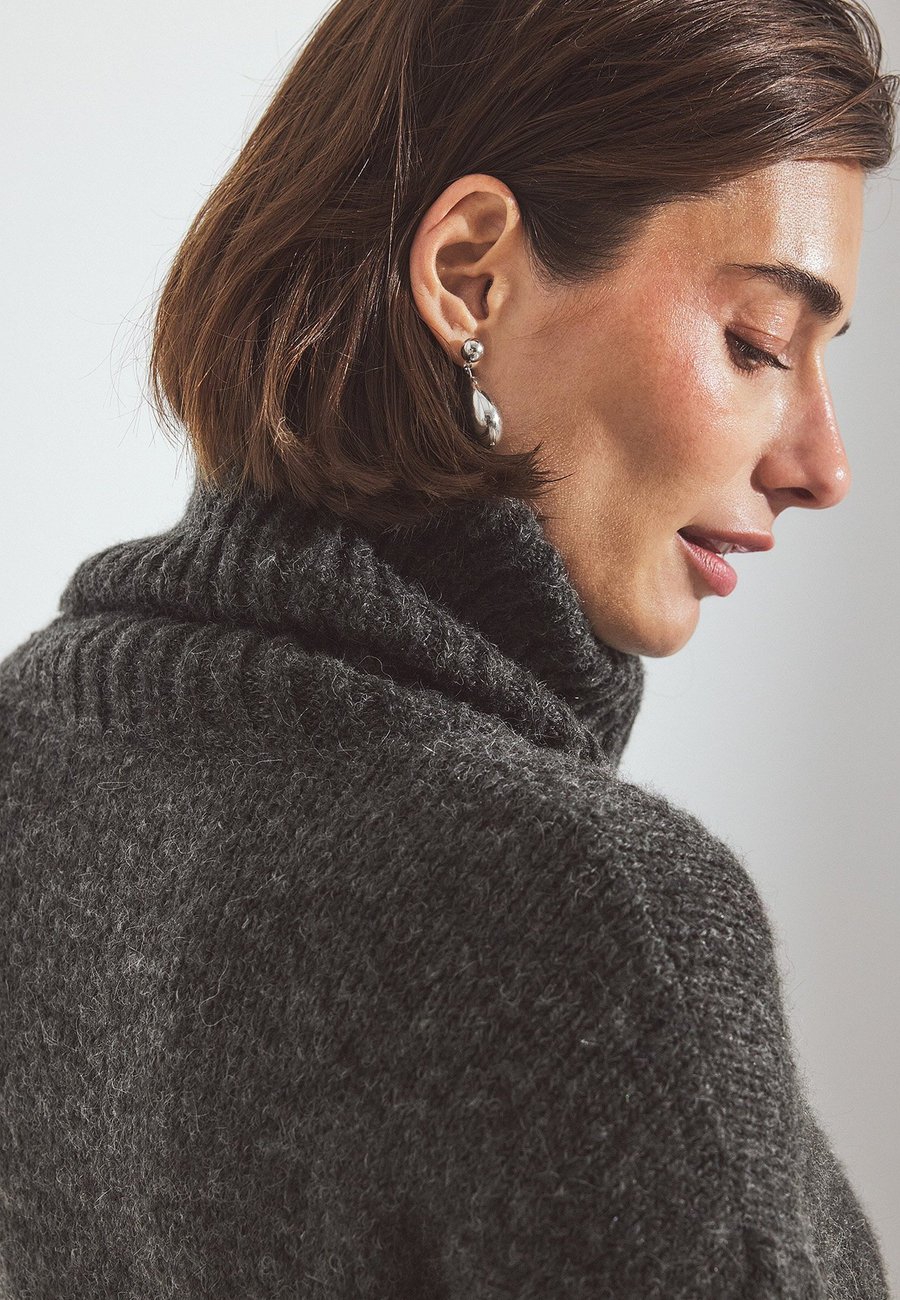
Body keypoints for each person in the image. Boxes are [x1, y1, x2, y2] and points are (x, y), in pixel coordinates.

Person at [1, 0, 896, 1294]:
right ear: (472, 274)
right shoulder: (591, 912)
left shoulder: (29, 745)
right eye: (757, 342)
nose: (825, 466)